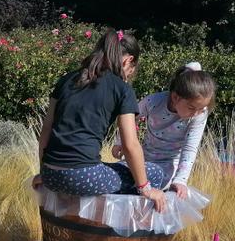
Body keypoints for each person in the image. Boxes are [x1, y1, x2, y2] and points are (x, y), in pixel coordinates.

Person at [33, 29, 167, 212]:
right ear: (128, 61)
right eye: (131, 70)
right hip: (83, 177)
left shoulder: (66, 80)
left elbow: (46, 132)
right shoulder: (122, 89)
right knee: (153, 173)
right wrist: (146, 189)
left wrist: (44, 172)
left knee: (119, 169)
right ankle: (124, 235)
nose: (129, 75)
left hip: (50, 174)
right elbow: (130, 145)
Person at [111, 62, 215, 198]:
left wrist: (180, 180)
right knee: (120, 178)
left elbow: (190, 148)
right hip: (143, 159)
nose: (197, 113)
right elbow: (129, 117)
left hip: (169, 166)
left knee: (152, 191)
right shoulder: (153, 102)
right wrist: (120, 141)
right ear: (175, 97)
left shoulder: (199, 115)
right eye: (191, 108)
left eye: (201, 109)